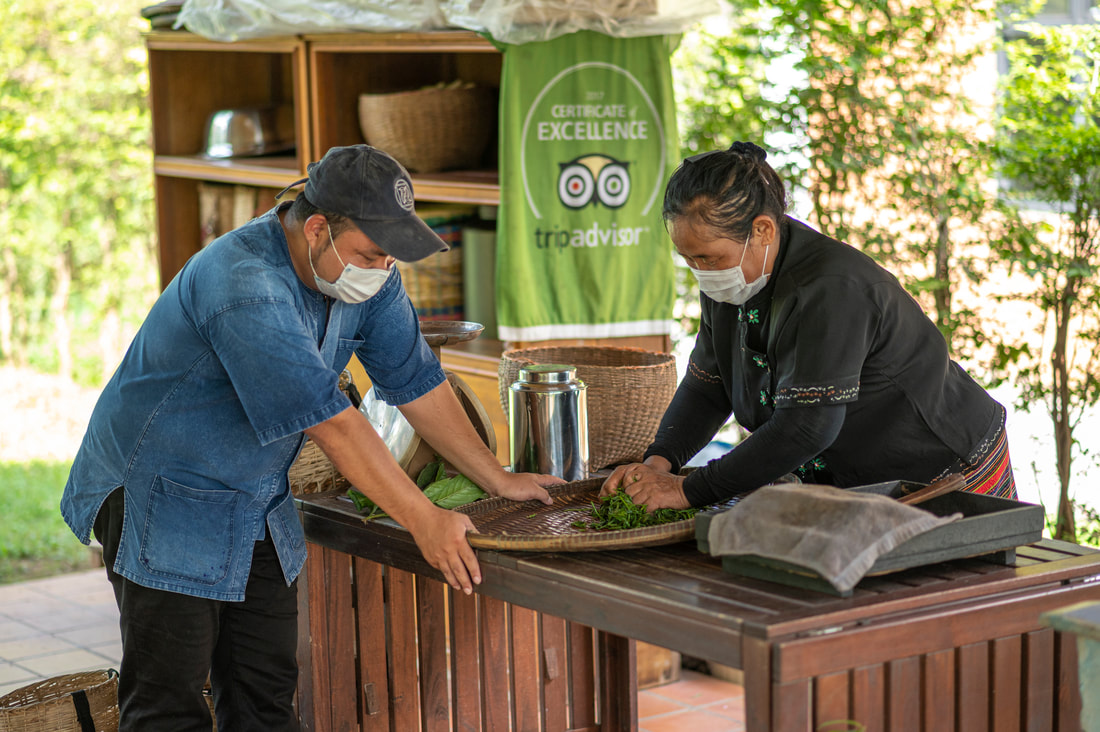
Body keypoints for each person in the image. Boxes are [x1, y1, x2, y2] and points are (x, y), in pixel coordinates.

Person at [61, 144, 561, 732]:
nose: (382, 270)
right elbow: (335, 425)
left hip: (253, 498)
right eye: (371, 254)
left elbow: (418, 381)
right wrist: (424, 518)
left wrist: (497, 478)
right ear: (318, 228)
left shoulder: (369, 277)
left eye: (391, 259)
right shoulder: (245, 282)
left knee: (264, 698)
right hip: (162, 495)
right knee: (168, 706)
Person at [602, 141, 1016, 510]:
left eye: (708, 258)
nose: (701, 273)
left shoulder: (833, 288)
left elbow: (806, 428)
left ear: (762, 229)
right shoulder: (733, 281)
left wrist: (687, 491)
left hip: (944, 467)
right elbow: (708, 386)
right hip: (853, 482)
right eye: (688, 259)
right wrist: (658, 462)